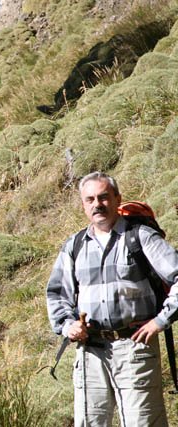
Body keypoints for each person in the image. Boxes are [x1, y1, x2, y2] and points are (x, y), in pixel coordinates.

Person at [46, 172, 178, 427]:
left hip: (135, 348)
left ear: (117, 198)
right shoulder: (74, 246)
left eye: (104, 197)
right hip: (89, 354)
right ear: (83, 205)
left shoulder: (140, 237)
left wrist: (161, 321)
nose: (98, 204)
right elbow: (57, 294)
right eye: (90, 199)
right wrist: (68, 326)